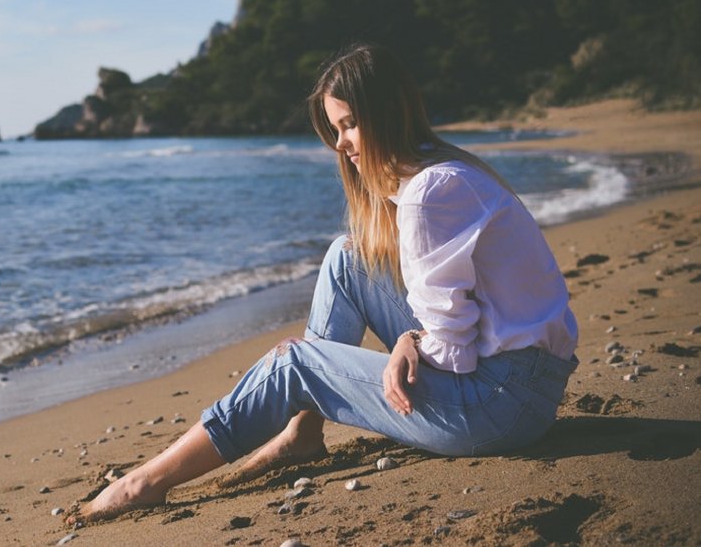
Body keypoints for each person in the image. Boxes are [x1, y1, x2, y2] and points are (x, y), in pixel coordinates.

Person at [74, 43, 578, 522]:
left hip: (499, 405)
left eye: (351, 124)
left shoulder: (429, 192)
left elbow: (454, 353)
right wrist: (414, 341)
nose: (340, 143)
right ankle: (302, 433)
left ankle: (146, 482)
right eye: (337, 128)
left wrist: (410, 341)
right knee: (347, 256)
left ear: (387, 113)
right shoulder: (443, 172)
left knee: (295, 362)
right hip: (521, 386)